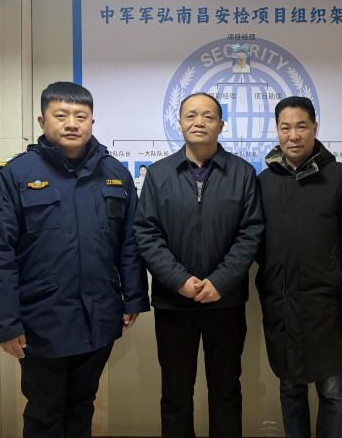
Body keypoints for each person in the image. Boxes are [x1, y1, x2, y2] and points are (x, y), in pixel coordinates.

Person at [0, 81, 150, 438]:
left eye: (80, 116)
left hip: (99, 316)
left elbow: (129, 243)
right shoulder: (14, 175)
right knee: (45, 412)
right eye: (61, 115)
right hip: (41, 321)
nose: (72, 124)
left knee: (82, 406)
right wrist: (4, 324)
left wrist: (133, 298)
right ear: (42, 121)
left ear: (92, 122)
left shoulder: (115, 174)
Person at [134, 92, 263, 438]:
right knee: (175, 393)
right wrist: (179, 280)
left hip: (225, 301)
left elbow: (251, 233)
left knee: (226, 390)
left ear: (221, 125)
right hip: (174, 301)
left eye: (208, 116)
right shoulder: (159, 174)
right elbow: (146, 233)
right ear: (179, 123)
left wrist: (220, 281)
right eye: (191, 115)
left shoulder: (242, 173)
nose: (199, 122)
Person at [256, 96, 342, 438]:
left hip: (330, 309)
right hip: (282, 306)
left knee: (333, 393)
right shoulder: (264, 182)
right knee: (290, 389)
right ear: (277, 131)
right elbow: (253, 243)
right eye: (285, 127)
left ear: (315, 128)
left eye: (301, 126)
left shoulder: (339, 178)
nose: (293, 135)